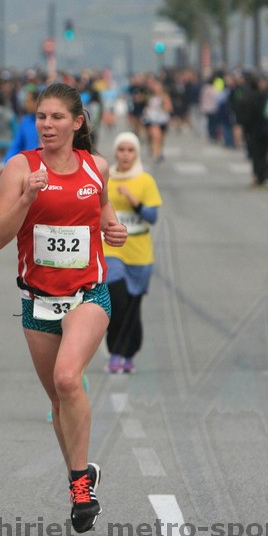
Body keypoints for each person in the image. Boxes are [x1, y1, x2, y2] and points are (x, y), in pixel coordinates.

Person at [0, 81, 127, 534]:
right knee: (57, 399)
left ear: (77, 122)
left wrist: (115, 230)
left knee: (68, 378)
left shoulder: (96, 167)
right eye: (41, 117)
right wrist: (27, 198)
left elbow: (104, 212)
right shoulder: (19, 167)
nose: (47, 125)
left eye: (56, 117)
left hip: (88, 293)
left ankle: (80, 489)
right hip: (37, 299)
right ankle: (81, 474)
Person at [102, 132, 162, 374]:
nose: (125, 155)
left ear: (136, 153)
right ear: (115, 152)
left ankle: (129, 354)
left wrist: (135, 202)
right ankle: (115, 353)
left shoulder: (145, 181)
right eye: (121, 150)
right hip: (111, 250)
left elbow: (152, 217)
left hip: (139, 254)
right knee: (116, 303)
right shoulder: (105, 179)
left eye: (130, 150)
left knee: (132, 308)